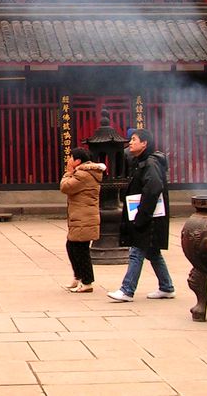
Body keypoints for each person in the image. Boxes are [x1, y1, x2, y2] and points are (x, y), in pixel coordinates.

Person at [108, 128, 174, 303]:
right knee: (152, 252)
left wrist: (142, 215)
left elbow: (153, 189)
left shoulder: (150, 164)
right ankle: (166, 287)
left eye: (134, 139)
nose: (130, 142)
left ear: (144, 143)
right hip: (147, 215)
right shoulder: (141, 162)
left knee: (136, 251)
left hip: (148, 217)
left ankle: (127, 290)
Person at [60, 146, 104, 293]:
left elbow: (65, 187)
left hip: (84, 217)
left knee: (81, 249)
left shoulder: (83, 175)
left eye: (71, 157)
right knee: (72, 246)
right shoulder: (84, 172)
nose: (69, 160)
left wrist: (68, 172)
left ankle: (87, 281)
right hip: (81, 216)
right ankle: (79, 276)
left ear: (78, 160)